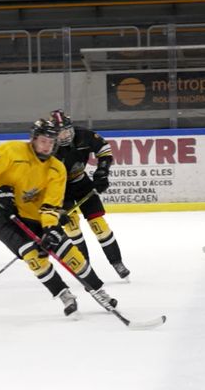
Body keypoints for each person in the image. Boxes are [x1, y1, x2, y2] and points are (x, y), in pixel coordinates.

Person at [0, 118, 118, 318]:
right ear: (34, 139)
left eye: (51, 141)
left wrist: (51, 227)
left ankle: (99, 291)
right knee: (34, 257)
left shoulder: (57, 168)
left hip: (37, 217)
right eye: (43, 140)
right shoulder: (12, 150)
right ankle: (64, 295)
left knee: (70, 253)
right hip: (8, 218)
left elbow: (51, 204)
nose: (47, 145)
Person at [50, 109, 130, 280]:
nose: (64, 136)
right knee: (71, 227)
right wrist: (52, 210)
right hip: (59, 190)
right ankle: (85, 266)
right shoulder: (48, 146)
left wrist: (102, 171)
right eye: (60, 133)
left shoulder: (84, 135)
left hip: (81, 183)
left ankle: (116, 261)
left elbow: (104, 149)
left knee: (99, 225)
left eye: (67, 130)